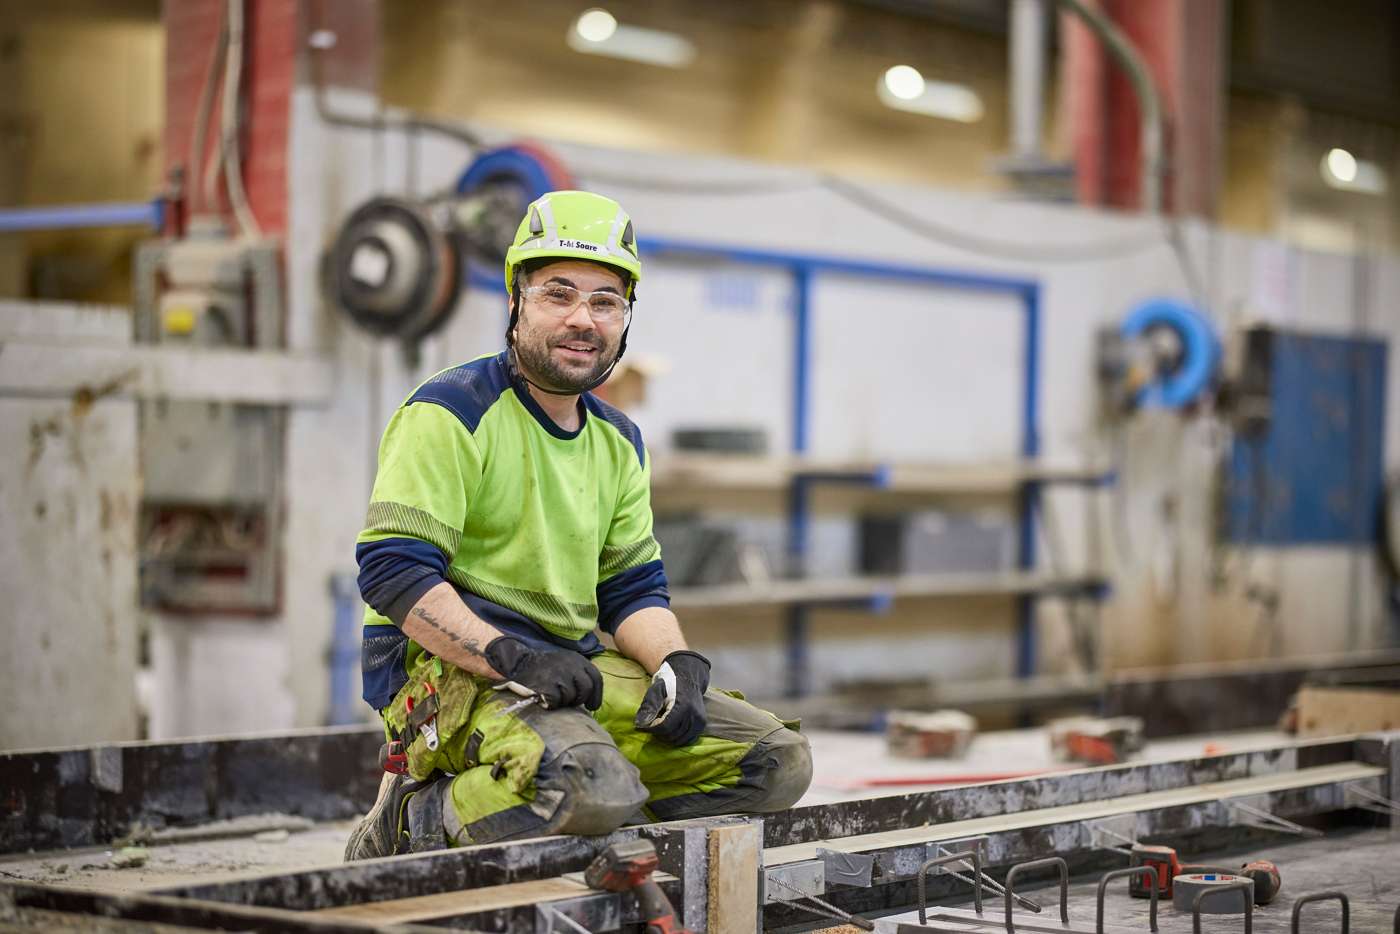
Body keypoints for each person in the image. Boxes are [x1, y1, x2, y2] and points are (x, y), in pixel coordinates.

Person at [346, 190, 811, 859]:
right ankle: (412, 820)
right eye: (558, 294)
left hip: (568, 667)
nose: (582, 319)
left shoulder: (618, 440)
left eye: (605, 301)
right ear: (516, 302)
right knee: (588, 787)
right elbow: (394, 573)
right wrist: (512, 656)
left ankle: (586, 801)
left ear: (625, 319)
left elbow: (630, 588)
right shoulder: (449, 412)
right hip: (446, 670)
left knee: (776, 763)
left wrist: (675, 664)